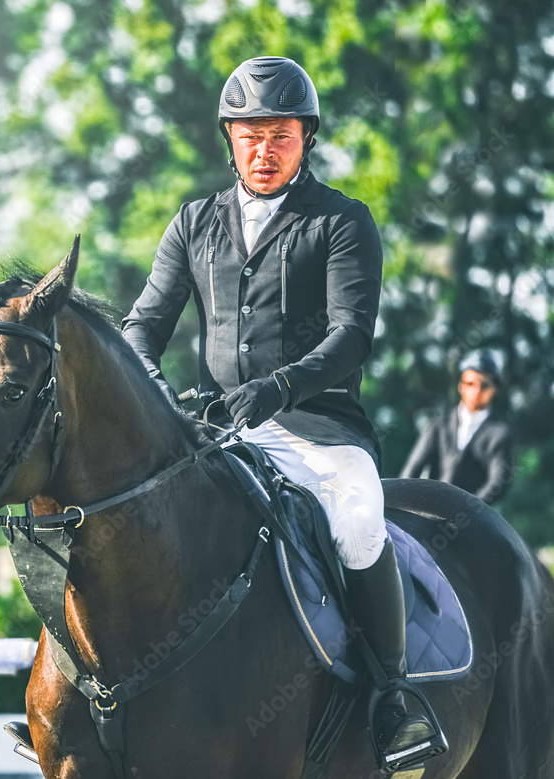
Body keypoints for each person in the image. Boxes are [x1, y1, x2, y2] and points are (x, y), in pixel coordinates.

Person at [121, 56, 442, 768]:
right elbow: (142, 325)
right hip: (218, 432)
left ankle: (391, 700)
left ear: (306, 141)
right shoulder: (193, 222)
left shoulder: (342, 222)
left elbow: (350, 335)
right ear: (229, 139)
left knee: (359, 520)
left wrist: (278, 388)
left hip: (320, 428)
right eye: (250, 136)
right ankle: (98, 699)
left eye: (280, 137)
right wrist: (153, 386)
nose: (263, 152)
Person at [400, 349, 514, 504]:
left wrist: (468, 510)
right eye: (470, 383)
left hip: (475, 517)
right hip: (431, 509)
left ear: (495, 389)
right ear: (461, 386)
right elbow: (412, 469)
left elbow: (498, 482)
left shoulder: (499, 434)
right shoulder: (438, 426)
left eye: (484, 385)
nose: (477, 391)